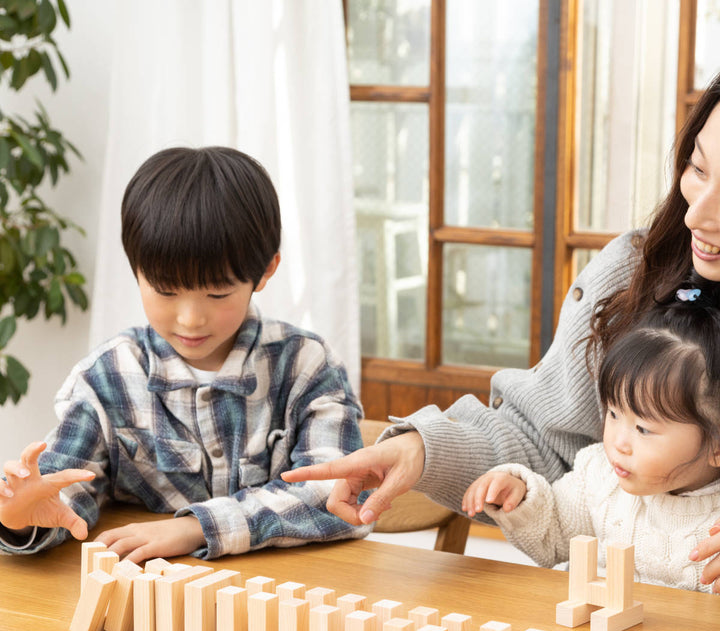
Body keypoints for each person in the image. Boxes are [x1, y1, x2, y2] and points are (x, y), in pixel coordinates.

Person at [282, 70, 720, 591]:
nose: (698, 214)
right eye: (697, 169)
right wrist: (424, 450)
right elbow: (549, 445)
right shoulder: (636, 271)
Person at [0, 146, 369, 561]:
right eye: (166, 291)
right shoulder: (109, 377)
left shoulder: (307, 366)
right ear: (135, 269)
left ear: (265, 270)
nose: (191, 319)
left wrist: (196, 528)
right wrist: (21, 518)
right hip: (154, 606)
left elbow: (339, 494)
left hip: (286, 602)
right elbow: (64, 487)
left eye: (217, 293)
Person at [462, 290, 720, 592]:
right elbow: (554, 531)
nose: (618, 442)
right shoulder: (598, 475)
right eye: (613, 412)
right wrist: (519, 497)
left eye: (643, 429)